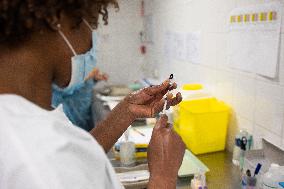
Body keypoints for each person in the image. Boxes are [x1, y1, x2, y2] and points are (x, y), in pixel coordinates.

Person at [0, 1, 185, 189]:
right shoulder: (41, 160)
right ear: (57, 21)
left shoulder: (20, 118)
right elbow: (59, 163)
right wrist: (163, 176)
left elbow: (74, 161)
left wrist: (127, 110)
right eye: (91, 22)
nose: (91, 41)